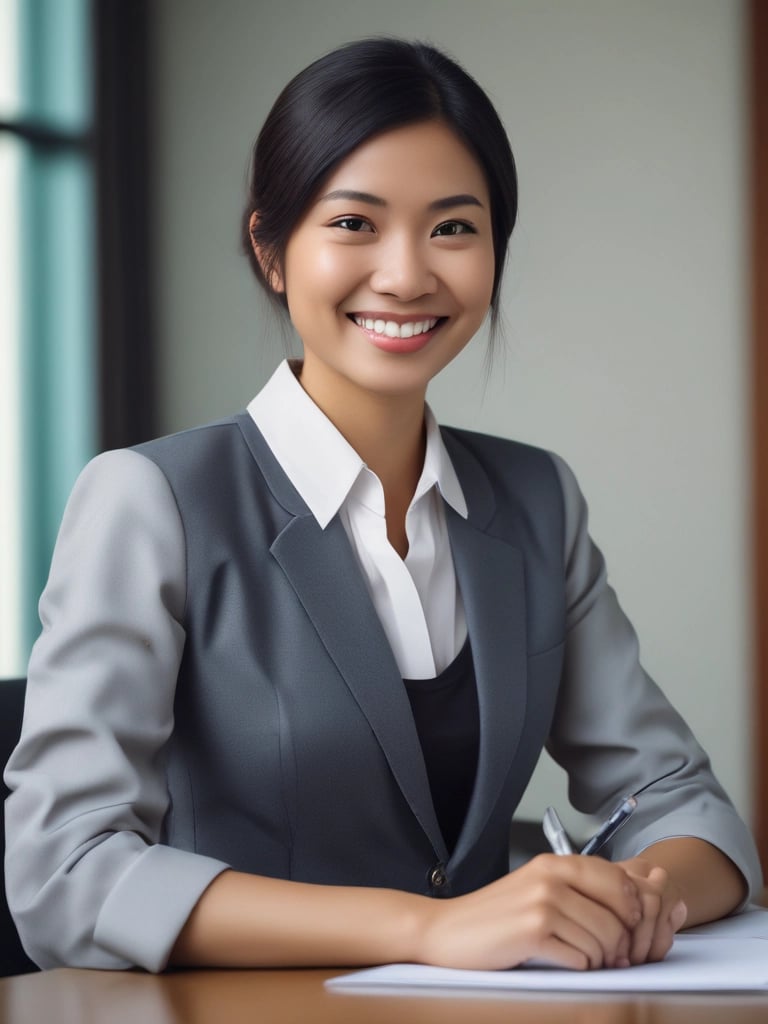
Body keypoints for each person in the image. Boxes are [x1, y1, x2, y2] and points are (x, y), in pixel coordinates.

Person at [4, 37, 762, 975]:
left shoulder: (535, 502)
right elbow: (62, 874)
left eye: (453, 228)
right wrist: (432, 929)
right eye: (355, 224)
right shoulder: (152, 500)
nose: (407, 276)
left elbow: (684, 802)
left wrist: (636, 900)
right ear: (271, 250)